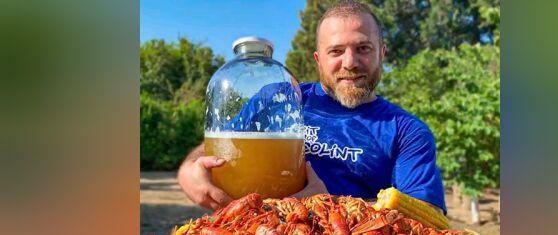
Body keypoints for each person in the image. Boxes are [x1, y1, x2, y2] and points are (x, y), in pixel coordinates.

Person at [178, 0, 447, 214]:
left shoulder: (407, 131)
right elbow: (223, 145)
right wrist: (189, 170)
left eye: (363, 48)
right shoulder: (279, 97)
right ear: (319, 59)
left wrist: (328, 203)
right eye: (336, 51)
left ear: (382, 54)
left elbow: (426, 217)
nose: (350, 62)